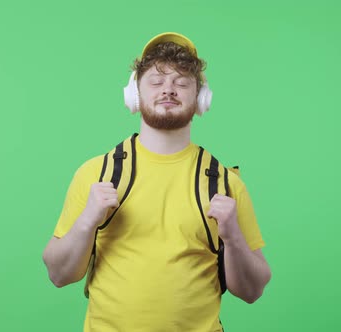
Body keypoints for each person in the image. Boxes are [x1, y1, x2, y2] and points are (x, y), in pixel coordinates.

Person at [42, 32, 271, 332]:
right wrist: (88, 220)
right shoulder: (96, 173)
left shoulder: (226, 185)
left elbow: (252, 291)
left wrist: (233, 237)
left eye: (182, 82)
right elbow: (58, 274)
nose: (169, 90)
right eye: (156, 81)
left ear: (201, 98)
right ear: (134, 94)